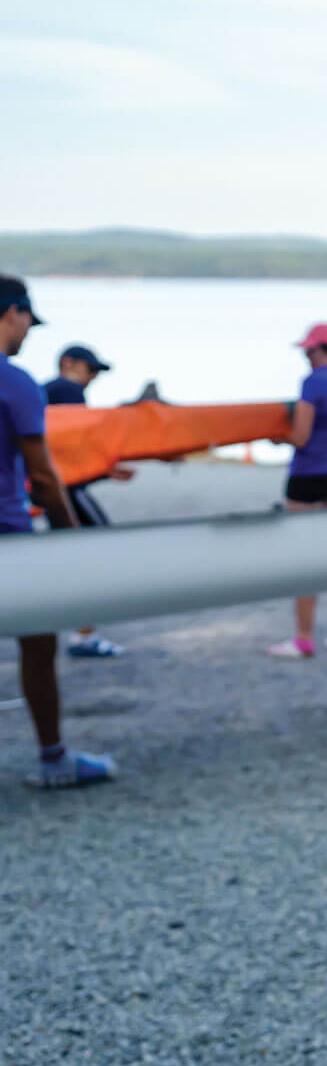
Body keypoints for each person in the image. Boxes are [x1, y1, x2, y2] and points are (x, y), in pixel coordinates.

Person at [0, 275, 116, 788]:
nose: (29, 333)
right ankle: (54, 760)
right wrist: (71, 537)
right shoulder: (16, 383)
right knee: (38, 643)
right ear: (12, 313)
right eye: (28, 321)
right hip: (11, 536)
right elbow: (44, 478)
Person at [266, 321, 327, 659]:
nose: (306, 357)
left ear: (325, 350)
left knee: (305, 557)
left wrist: (276, 435)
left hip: (307, 476)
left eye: (309, 351)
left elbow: (300, 436)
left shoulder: (313, 382)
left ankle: (303, 638)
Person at [43, 343, 131, 658]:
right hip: (64, 490)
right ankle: (83, 634)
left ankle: (80, 630)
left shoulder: (46, 391)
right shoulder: (67, 390)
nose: (93, 378)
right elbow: (72, 452)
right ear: (68, 363)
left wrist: (105, 470)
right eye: (90, 370)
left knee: (75, 556)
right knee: (91, 554)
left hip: (56, 487)